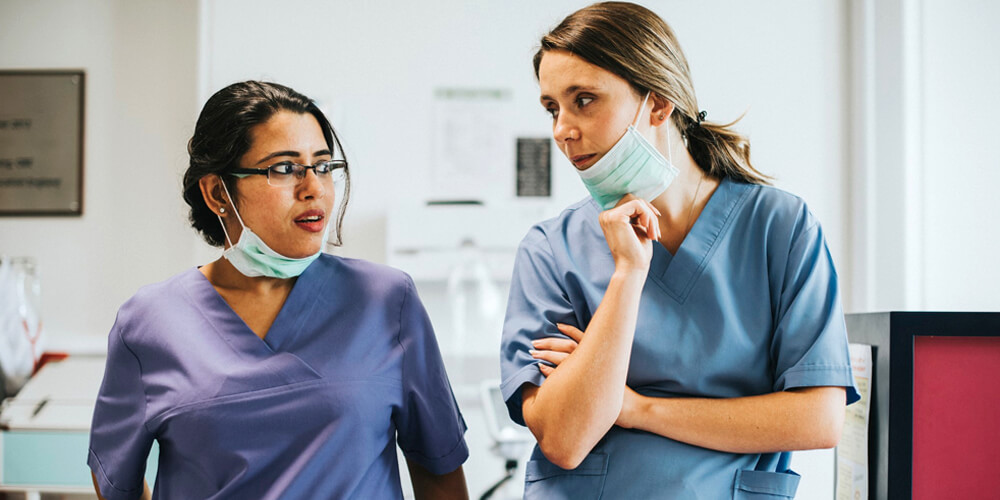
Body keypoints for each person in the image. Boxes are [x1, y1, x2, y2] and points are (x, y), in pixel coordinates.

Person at [499, 3, 860, 498]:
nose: (562, 129)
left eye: (584, 100)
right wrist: (628, 273)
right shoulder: (551, 250)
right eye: (552, 108)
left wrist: (632, 407)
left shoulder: (779, 228)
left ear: (658, 102)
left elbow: (817, 419)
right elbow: (565, 437)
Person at [88, 81, 469, 500]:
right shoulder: (150, 324)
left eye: (323, 166)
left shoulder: (386, 301)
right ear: (218, 192)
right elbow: (116, 483)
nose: (313, 188)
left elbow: (439, 474)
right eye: (284, 168)